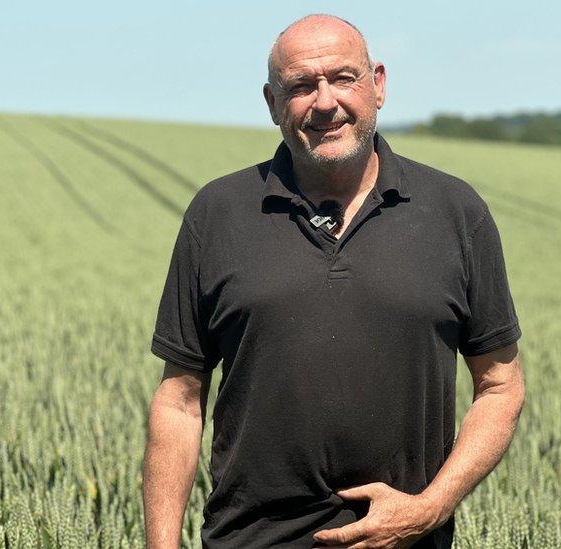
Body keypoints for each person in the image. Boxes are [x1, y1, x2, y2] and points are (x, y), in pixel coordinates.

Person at [143, 13, 525, 549]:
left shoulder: (455, 212)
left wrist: (428, 509)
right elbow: (179, 400)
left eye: (343, 77)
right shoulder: (218, 213)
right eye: (300, 86)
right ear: (273, 103)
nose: (325, 102)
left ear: (378, 85)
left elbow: (501, 386)